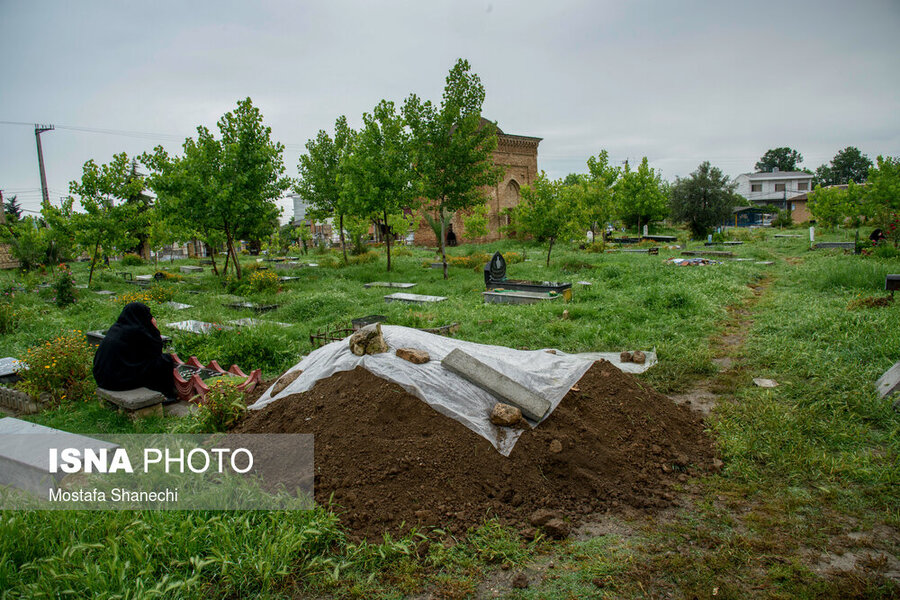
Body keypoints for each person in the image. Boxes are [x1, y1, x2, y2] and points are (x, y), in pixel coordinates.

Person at [93, 302, 175, 398]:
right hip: (117, 382)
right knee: (165, 361)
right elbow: (156, 352)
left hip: (102, 378)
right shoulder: (138, 331)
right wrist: (154, 328)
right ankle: (167, 395)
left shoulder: (117, 328)